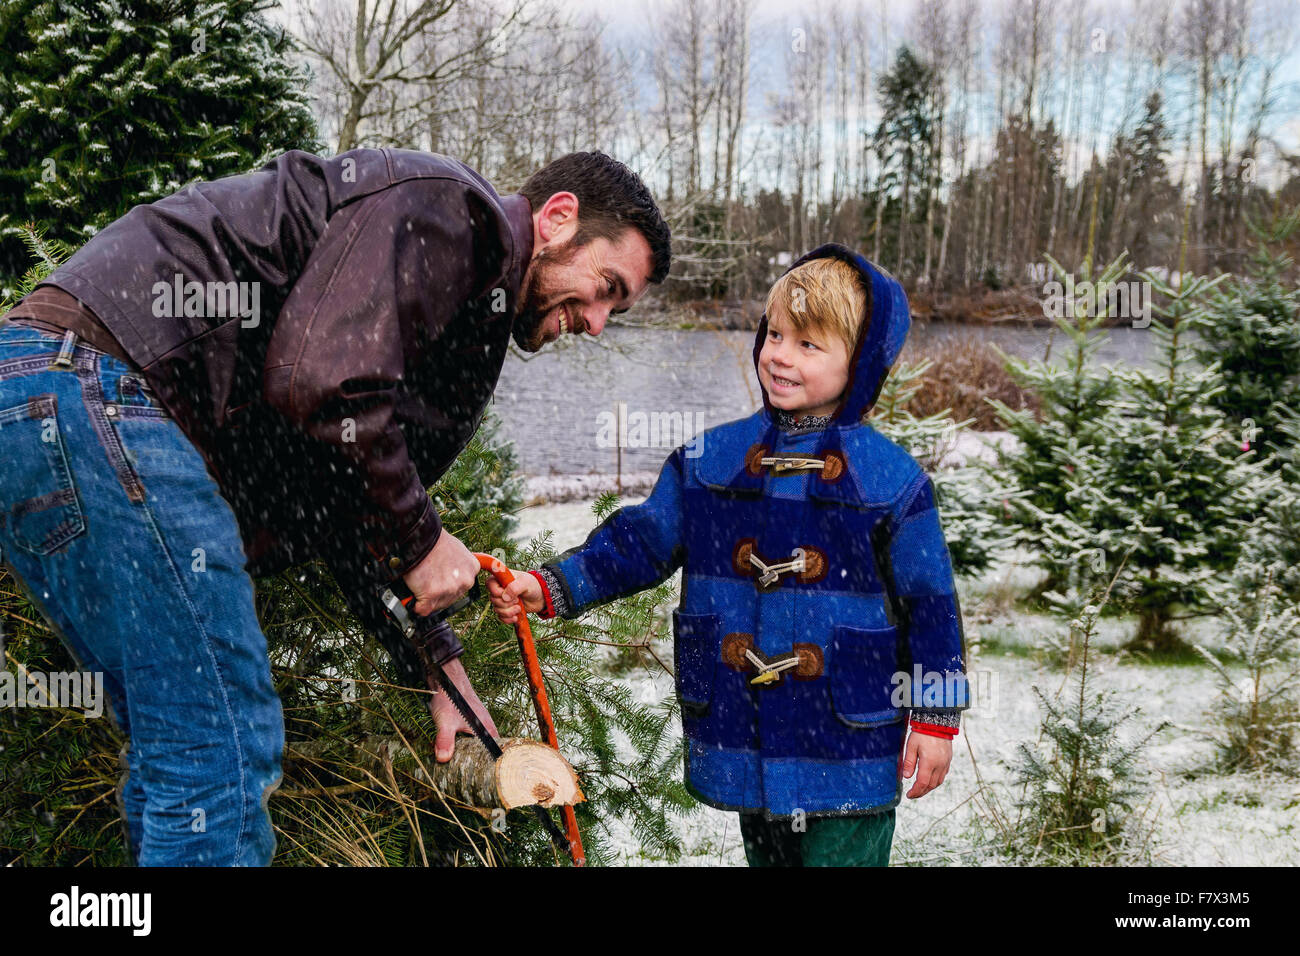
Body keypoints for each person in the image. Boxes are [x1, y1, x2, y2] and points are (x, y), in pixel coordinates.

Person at [0, 148, 671, 865]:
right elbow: (323, 381)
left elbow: (337, 494)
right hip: (96, 384)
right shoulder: (456, 214)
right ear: (558, 217)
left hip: (43, 401)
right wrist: (422, 541)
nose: (598, 322)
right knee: (222, 742)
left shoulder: (459, 280)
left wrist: (441, 667)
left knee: (185, 739)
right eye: (605, 286)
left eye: (615, 309)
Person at [487, 244, 968, 866]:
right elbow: (641, 541)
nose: (780, 356)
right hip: (746, 730)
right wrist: (553, 584)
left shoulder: (891, 482)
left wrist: (935, 720)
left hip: (848, 742)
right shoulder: (710, 462)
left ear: (861, 363)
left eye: (809, 345)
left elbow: (933, 607)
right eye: (776, 335)